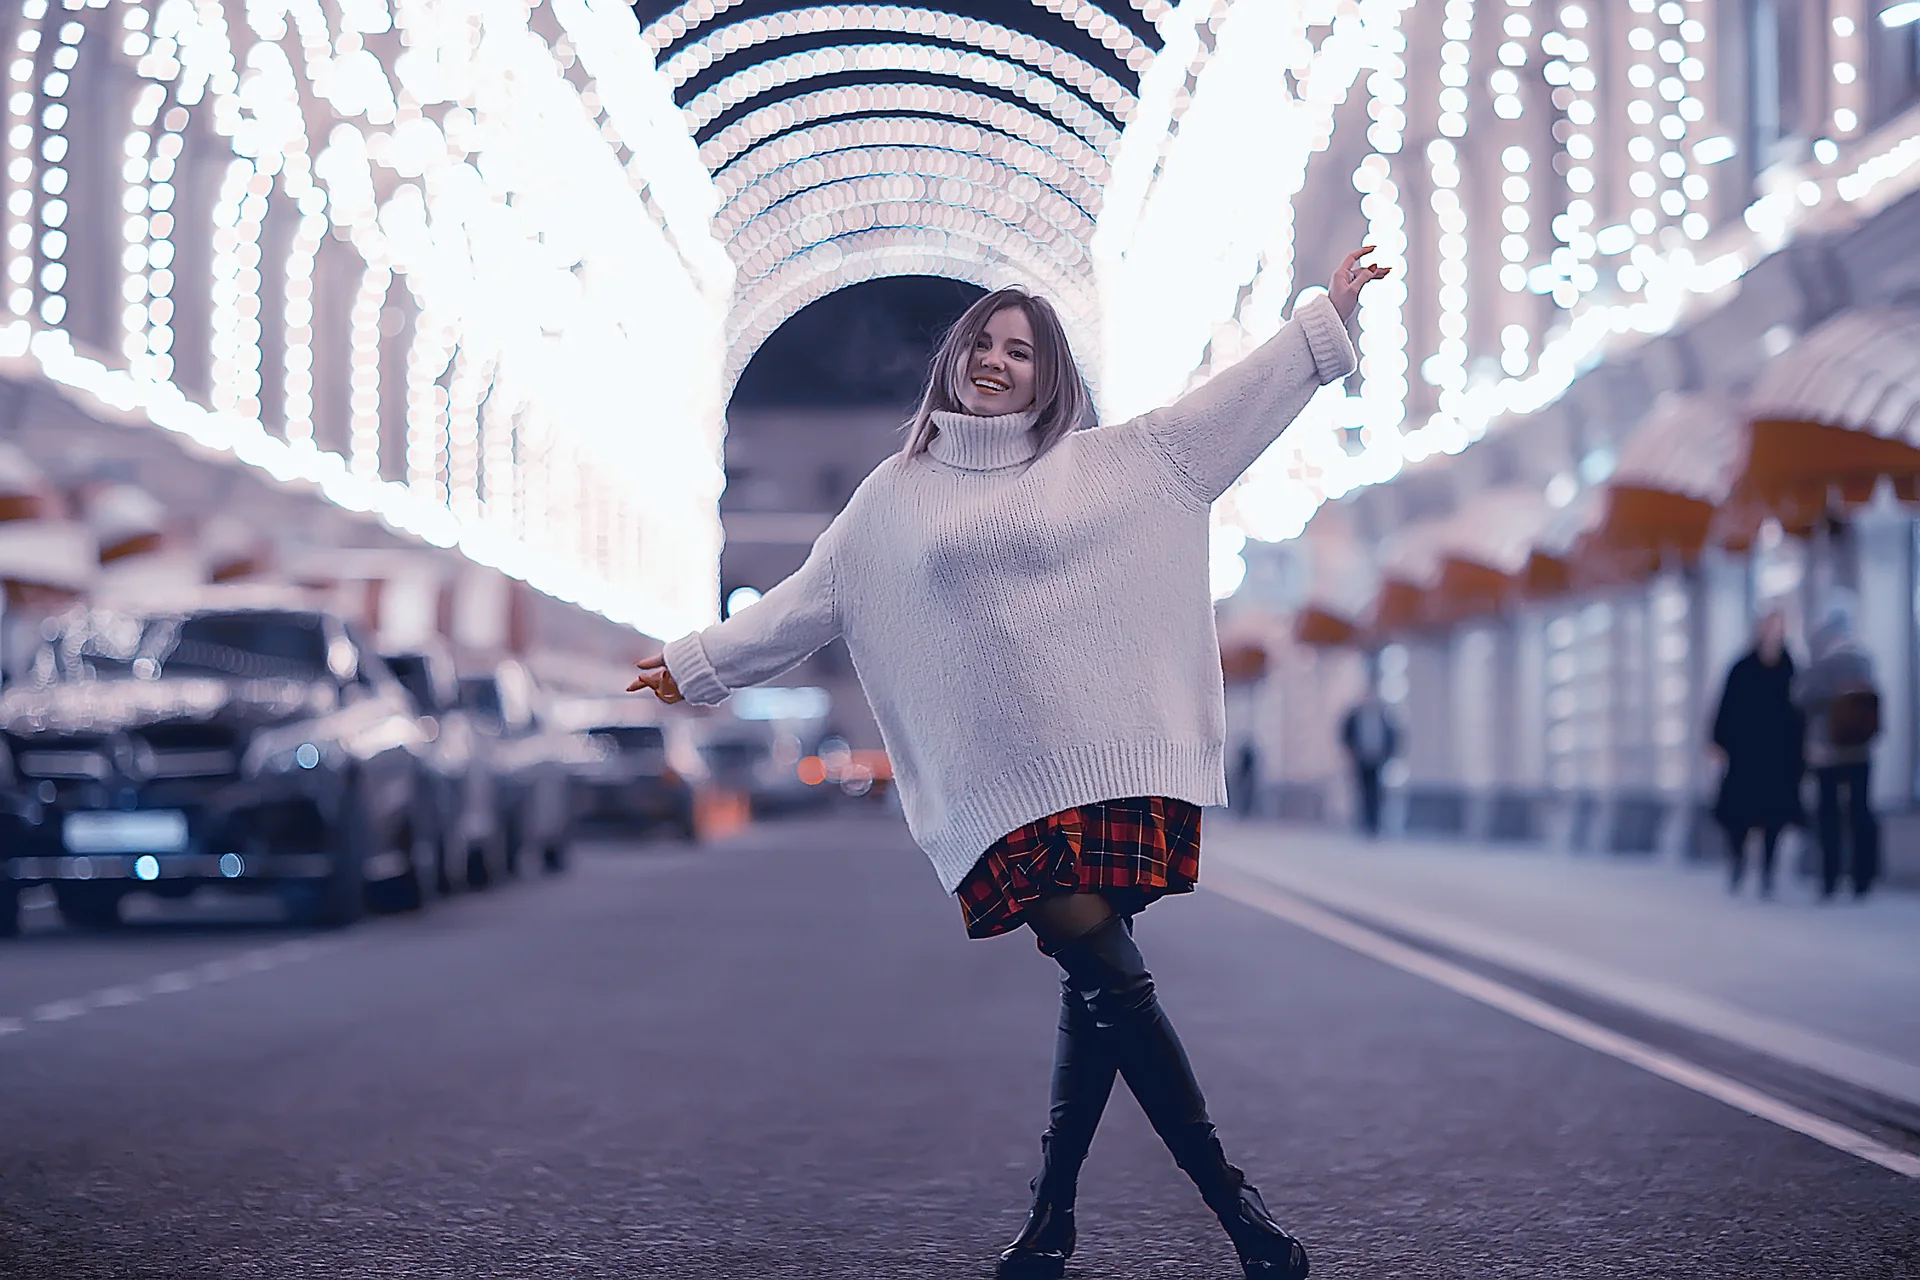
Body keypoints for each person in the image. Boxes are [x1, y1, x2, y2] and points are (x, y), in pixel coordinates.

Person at [630, 247, 1388, 1280]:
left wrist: (1319, 324)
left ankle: (1050, 1224)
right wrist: (696, 662)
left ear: (1047, 374)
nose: (995, 359)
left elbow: (1227, 409)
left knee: (1098, 989)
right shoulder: (894, 495)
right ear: (955, 357)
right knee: (1115, 984)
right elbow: (806, 601)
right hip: (1006, 795)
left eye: (1019, 350)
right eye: (982, 342)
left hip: (1107, 770)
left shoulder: (1115, 463)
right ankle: (1238, 1210)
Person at [1708, 610, 1804, 896]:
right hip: (1745, 754)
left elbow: (1799, 714)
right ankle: (1738, 860)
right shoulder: (1742, 668)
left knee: (1774, 816)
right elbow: (1725, 707)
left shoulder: (1790, 667)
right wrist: (1718, 741)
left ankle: (1767, 871)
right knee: (1740, 815)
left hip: (1778, 756)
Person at [1793, 596, 1882, 900]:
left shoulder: (1823, 661)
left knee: (1829, 814)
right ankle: (1862, 878)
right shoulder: (1864, 659)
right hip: (1860, 748)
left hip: (1826, 750)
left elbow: (1800, 696)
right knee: (1860, 811)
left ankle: (1830, 877)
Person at [1339, 680, 1398, 838]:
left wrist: (1389, 754)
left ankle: (1375, 824)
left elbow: (1393, 735)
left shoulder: (1384, 715)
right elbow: (1345, 734)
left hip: (1378, 759)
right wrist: (1351, 752)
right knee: (1362, 791)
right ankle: (1363, 823)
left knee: (1376, 792)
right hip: (1361, 759)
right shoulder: (1354, 716)